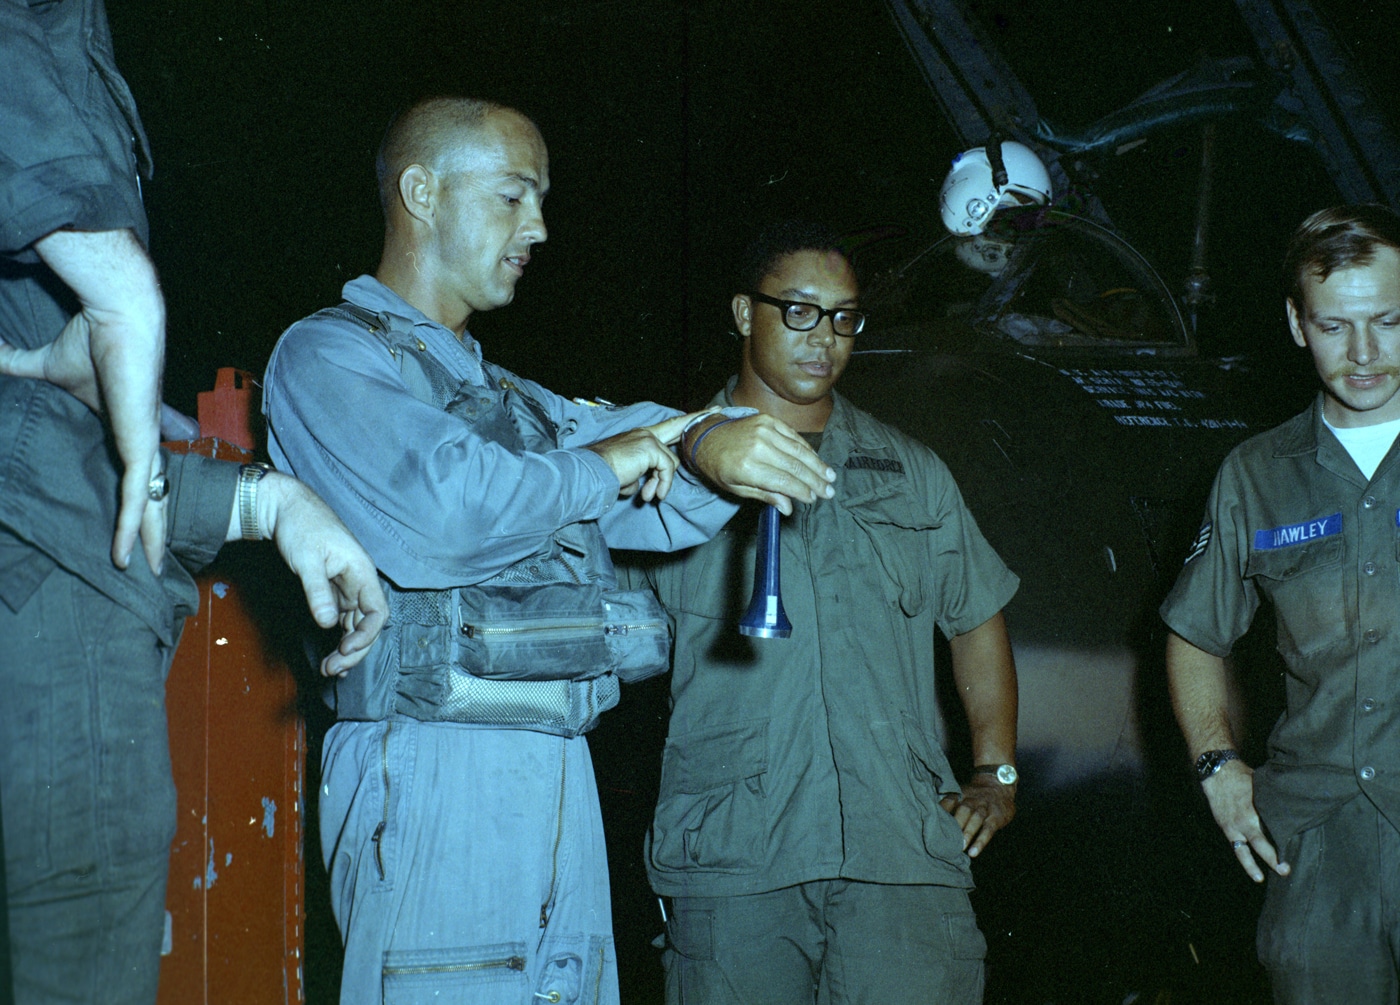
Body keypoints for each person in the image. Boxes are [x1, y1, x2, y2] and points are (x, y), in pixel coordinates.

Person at [261, 97, 836, 1004]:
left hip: (554, 764)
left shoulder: (514, 399)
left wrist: (704, 446)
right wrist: (612, 461)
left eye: (542, 200)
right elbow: (446, 511)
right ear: (421, 190)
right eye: (513, 196)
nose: (538, 226)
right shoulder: (329, 359)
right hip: (433, 766)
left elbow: (652, 500)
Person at [0, 2, 388, 1001]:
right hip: (52, 614)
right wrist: (116, 284)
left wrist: (270, 503)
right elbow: (53, 454)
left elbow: (61, 425)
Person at [617, 221, 1022, 1003]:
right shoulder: (661, 469)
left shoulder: (909, 471)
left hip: (899, 851)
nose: (824, 337)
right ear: (744, 313)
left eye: (844, 317)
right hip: (736, 860)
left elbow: (976, 617)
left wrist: (995, 771)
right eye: (799, 311)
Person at [1162, 203, 1400, 1002]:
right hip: (1318, 844)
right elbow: (1196, 634)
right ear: (1298, 325)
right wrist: (1217, 764)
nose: (1364, 354)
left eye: (1389, 321)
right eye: (1335, 326)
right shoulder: (1255, 475)